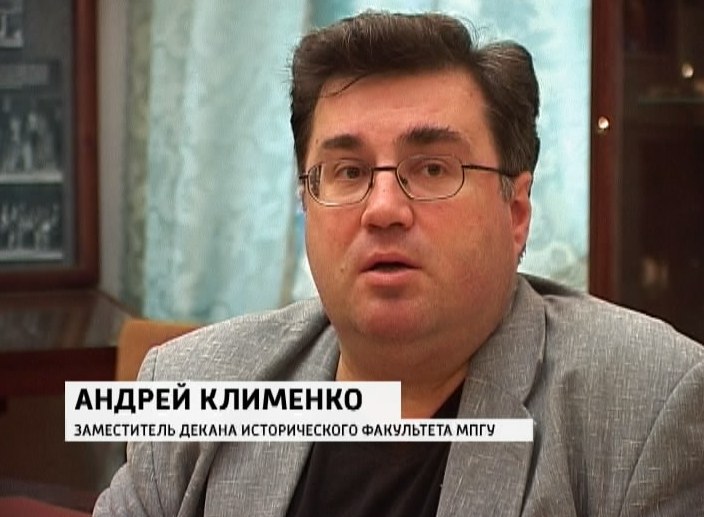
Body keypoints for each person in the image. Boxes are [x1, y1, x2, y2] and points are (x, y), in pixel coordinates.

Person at [94, 11, 704, 517]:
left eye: (433, 168)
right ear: (306, 202)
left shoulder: (649, 405)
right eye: (348, 172)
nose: (383, 208)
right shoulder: (192, 387)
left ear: (516, 211)